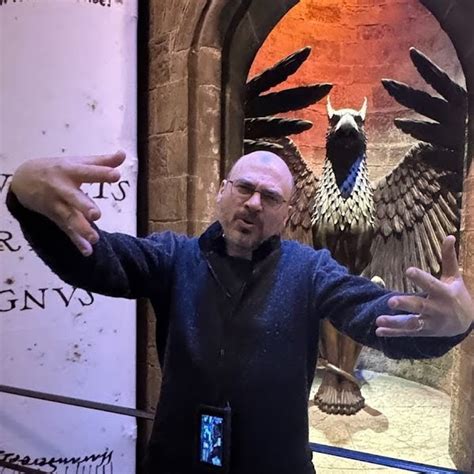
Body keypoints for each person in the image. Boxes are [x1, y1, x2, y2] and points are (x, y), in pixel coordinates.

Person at [6, 150, 474, 474]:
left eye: (270, 197)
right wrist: (24, 195)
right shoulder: (173, 257)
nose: (253, 203)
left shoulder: (309, 269)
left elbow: (369, 310)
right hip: (179, 463)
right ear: (221, 191)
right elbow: (96, 261)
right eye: (244, 188)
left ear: (286, 213)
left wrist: (447, 324)